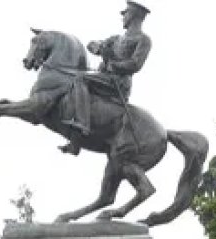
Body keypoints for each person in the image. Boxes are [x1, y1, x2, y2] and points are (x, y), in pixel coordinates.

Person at [60, 0, 153, 155]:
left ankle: (82, 124)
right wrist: (99, 47)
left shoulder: (143, 40)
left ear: (135, 16)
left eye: (126, 13)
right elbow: (92, 44)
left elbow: (136, 64)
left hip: (119, 82)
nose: (123, 16)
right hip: (104, 77)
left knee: (81, 79)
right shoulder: (116, 39)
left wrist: (114, 64)